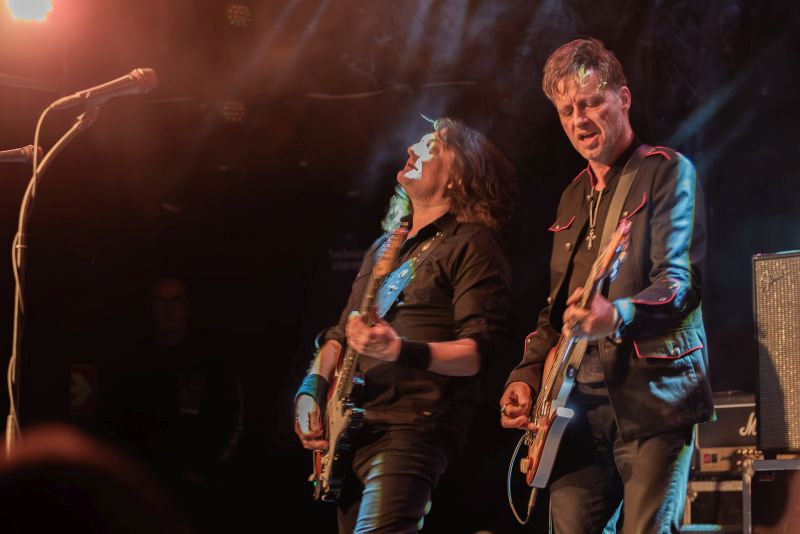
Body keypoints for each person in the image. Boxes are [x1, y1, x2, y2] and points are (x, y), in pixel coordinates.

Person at [499, 37, 714, 533]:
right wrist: (525, 378)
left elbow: (679, 284)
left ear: (623, 97)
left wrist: (615, 315)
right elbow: (554, 314)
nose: (579, 119)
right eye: (567, 110)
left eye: (592, 102)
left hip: (653, 401)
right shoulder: (571, 197)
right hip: (575, 410)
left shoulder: (667, 173)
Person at [294, 117, 516, 533]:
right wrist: (313, 387)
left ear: (457, 177)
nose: (413, 148)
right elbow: (342, 333)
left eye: (431, 146)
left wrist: (398, 350)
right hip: (352, 431)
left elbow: (478, 353)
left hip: (411, 427)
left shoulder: (472, 244)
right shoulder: (384, 247)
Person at [111, 274, 244, 533]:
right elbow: (117, 425)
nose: (169, 308)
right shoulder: (133, 363)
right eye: (160, 301)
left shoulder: (212, 362)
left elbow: (233, 420)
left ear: (188, 307)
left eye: (176, 301)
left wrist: (205, 471)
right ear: (149, 308)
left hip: (198, 495)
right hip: (144, 493)